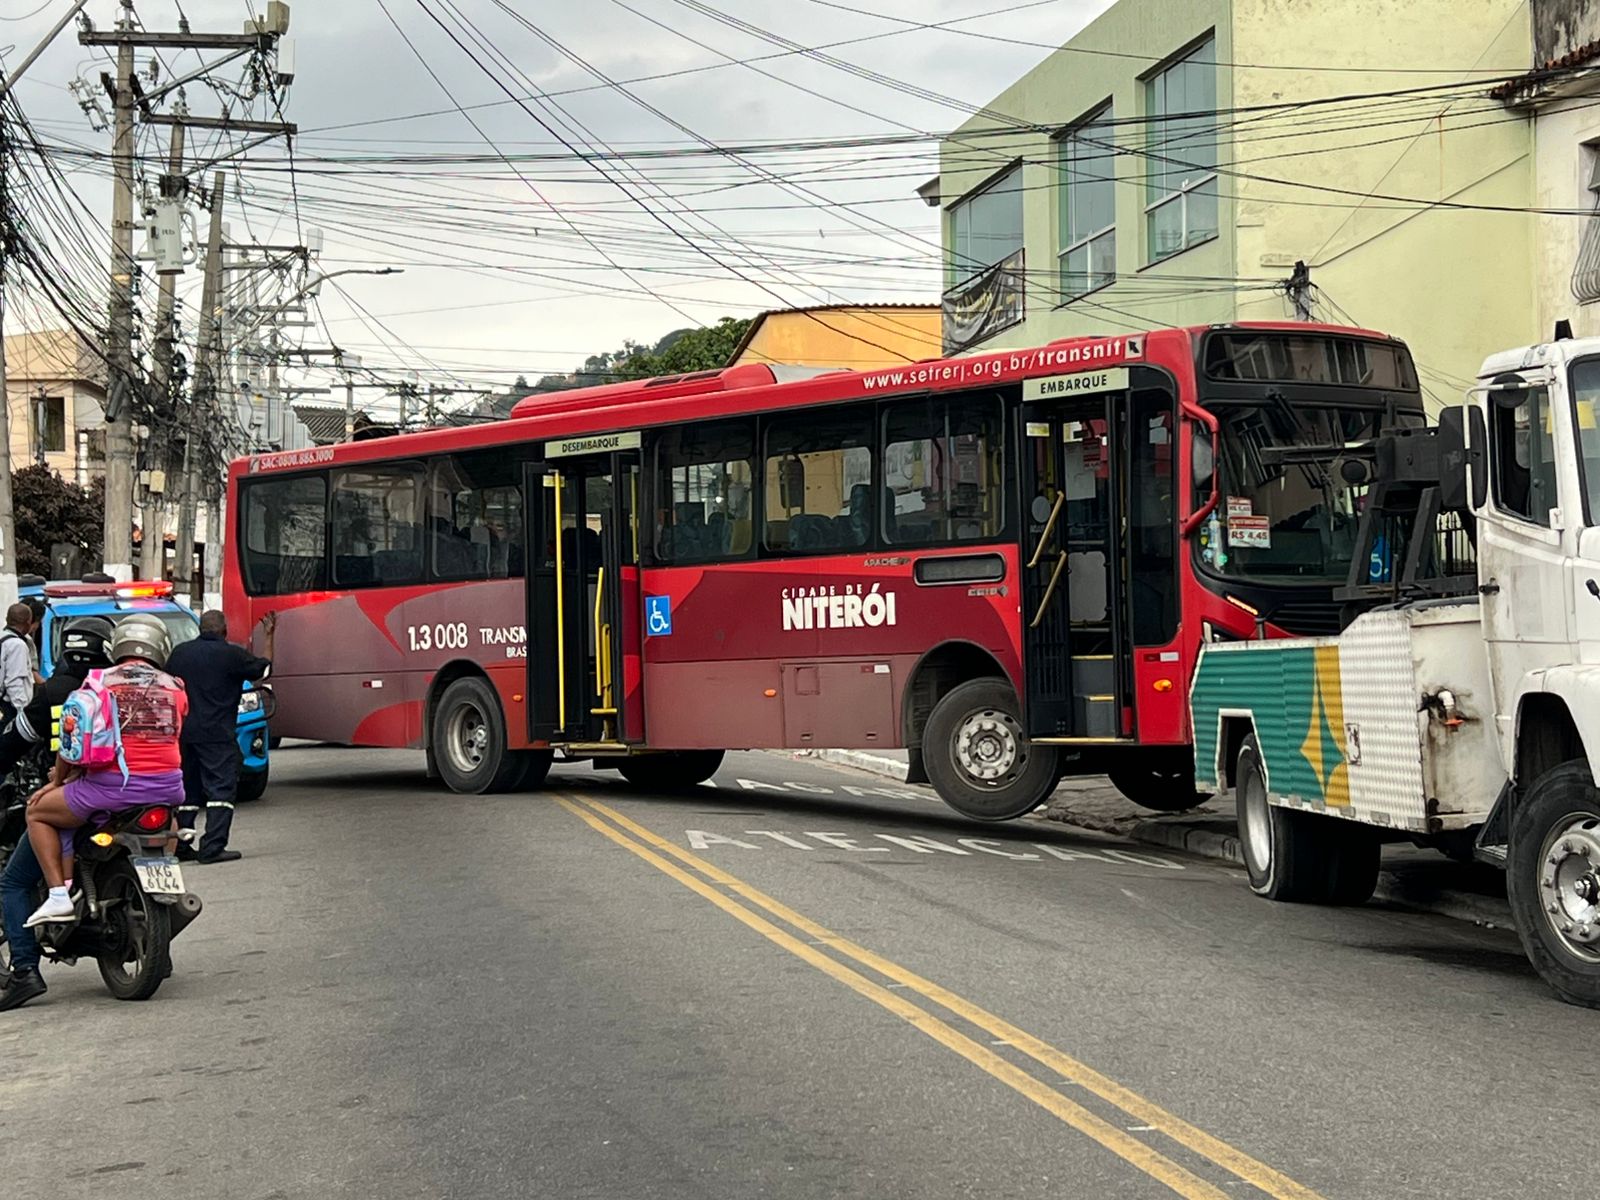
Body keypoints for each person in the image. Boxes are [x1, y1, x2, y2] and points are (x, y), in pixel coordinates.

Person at [22, 613, 187, 927]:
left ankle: (58, 895)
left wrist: (57, 781)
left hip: (111, 788)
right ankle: (165, 877)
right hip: (168, 787)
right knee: (171, 823)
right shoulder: (176, 686)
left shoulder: (99, 682)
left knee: (37, 812)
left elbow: (72, 739)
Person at [0, 619, 114, 1011]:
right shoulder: (118, 690)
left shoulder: (52, 695)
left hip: (73, 798)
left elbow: (12, 744)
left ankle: (24, 971)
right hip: (129, 795)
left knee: (13, 882)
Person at [165, 610, 274, 865]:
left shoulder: (179, 654)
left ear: (200, 629)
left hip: (184, 734)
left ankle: (181, 844)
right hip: (217, 735)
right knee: (221, 789)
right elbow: (264, 669)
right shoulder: (231, 654)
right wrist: (269, 636)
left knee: (187, 791)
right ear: (225, 630)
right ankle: (212, 847)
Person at [0, 603, 35, 724]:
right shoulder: (17, 645)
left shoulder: (2, 638)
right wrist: (22, 712)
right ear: (27, 622)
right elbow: (14, 681)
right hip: (9, 708)